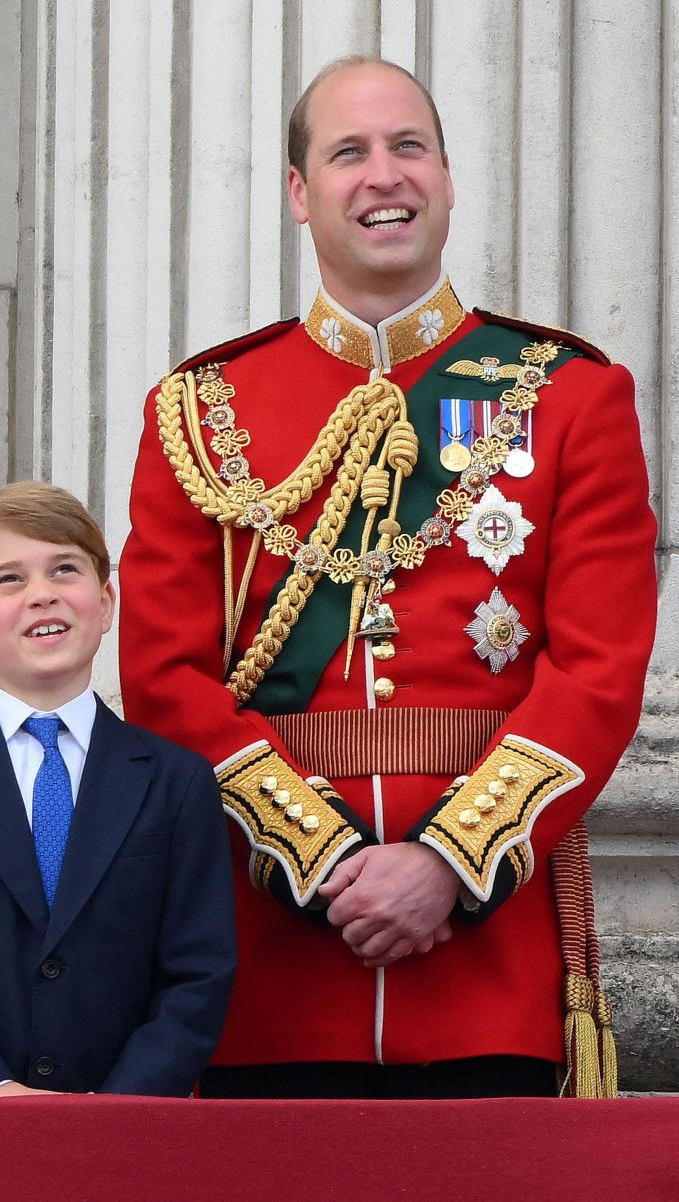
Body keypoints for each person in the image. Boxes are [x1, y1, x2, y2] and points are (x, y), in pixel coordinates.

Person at [120, 57, 657, 1098]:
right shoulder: (200, 409)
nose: (383, 176)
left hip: (484, 966)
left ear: (447, 177)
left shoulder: (570, 397)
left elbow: (596, 674)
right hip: (270, 972)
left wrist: (447, 864)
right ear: (296, 192)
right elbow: (163, 679)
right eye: (348, 152)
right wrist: (321, 861)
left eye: (408, 146)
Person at [0, 481, 235, 1097]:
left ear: (106, 604)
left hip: (118, 1132)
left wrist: (115, 1109)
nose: (43, 595)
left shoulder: (175, 779)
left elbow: (198, 973)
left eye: (64, 570)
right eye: (9, 580)